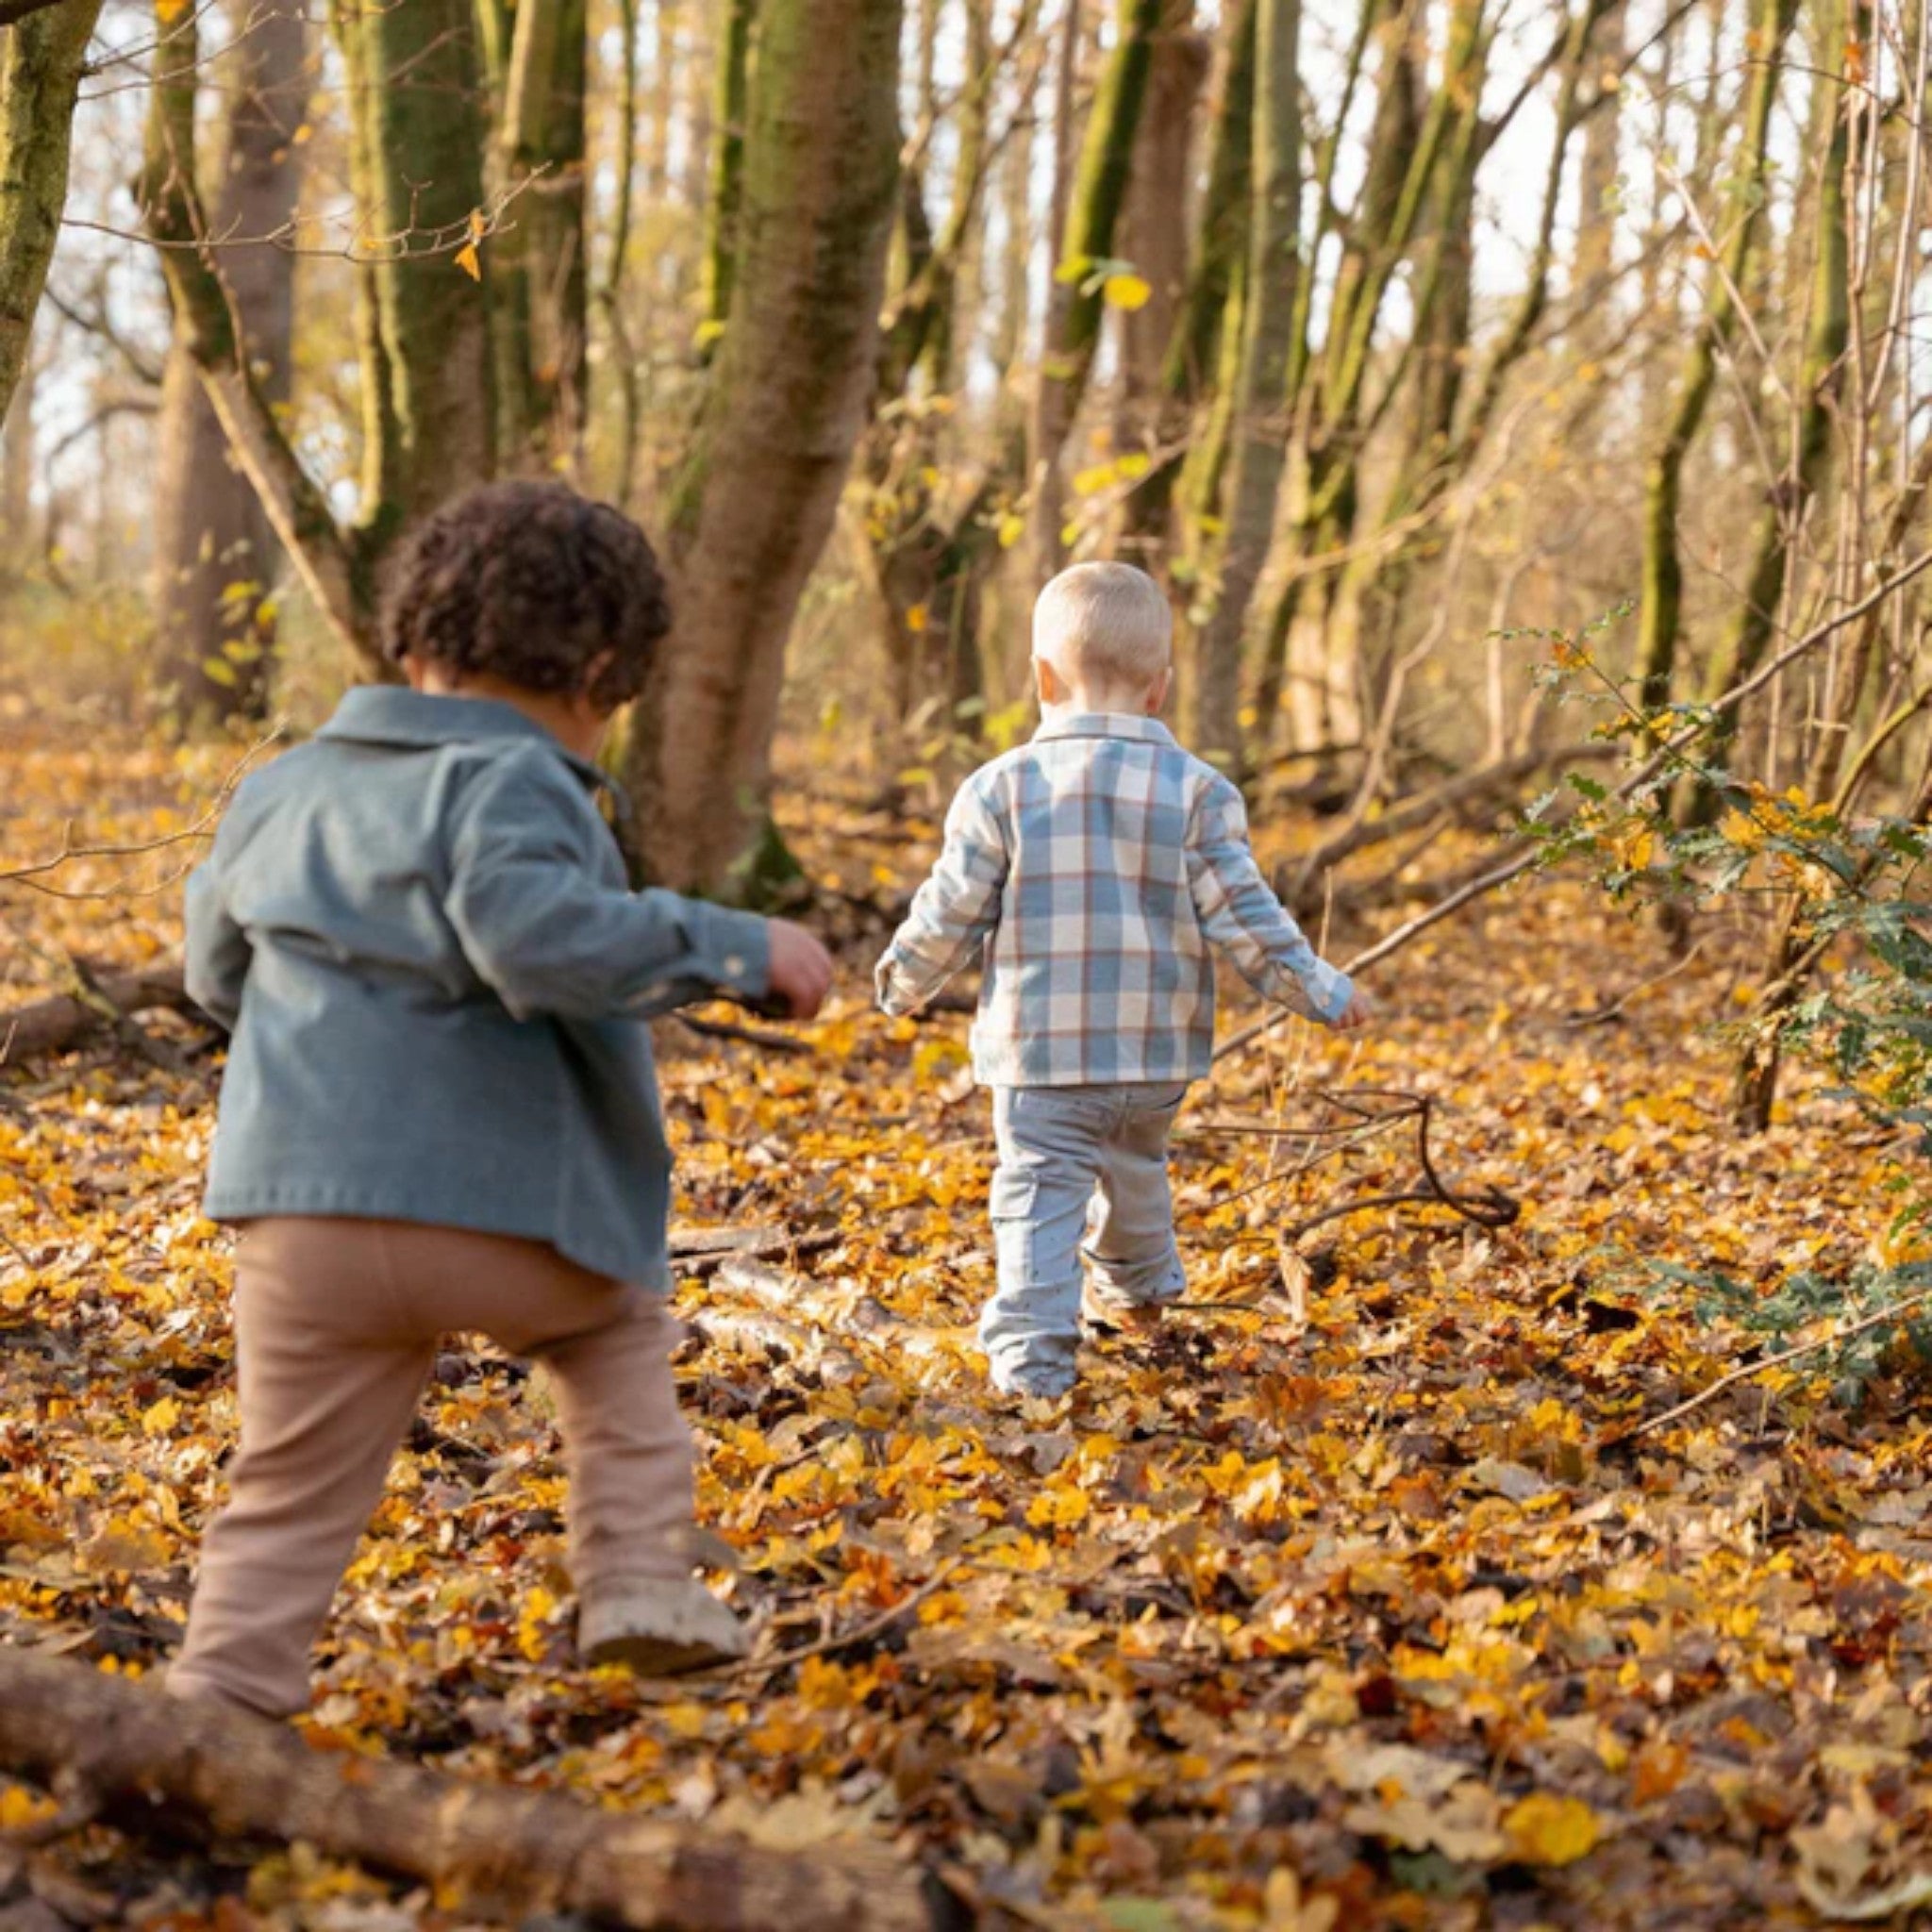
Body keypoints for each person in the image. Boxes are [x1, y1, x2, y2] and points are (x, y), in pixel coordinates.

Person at [166, 480, 834, 1718]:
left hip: (297, 1218)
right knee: (614, 1336)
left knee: (289, 1482)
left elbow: (215, 975)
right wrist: (734, 946)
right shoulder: (519, 785)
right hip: (508, 1215)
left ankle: (221, 1699)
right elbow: (534, 936)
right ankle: (634, 1577)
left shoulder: (281, 789)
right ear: (600, 672)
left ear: (413, 644)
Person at [875, 561, 1372, 1400]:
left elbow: (950, 909)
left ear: (1041, 678)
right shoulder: (1199, 793)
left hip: (1039, 1058)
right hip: (1152, 1057)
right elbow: (1246, 917)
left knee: (1039, 1192)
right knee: (1137, 1168)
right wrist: (1319, 988)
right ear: (1160, 689)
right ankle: (1143, 1293)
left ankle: (1034, 1362)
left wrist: (903, 981)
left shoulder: (1000, 789)